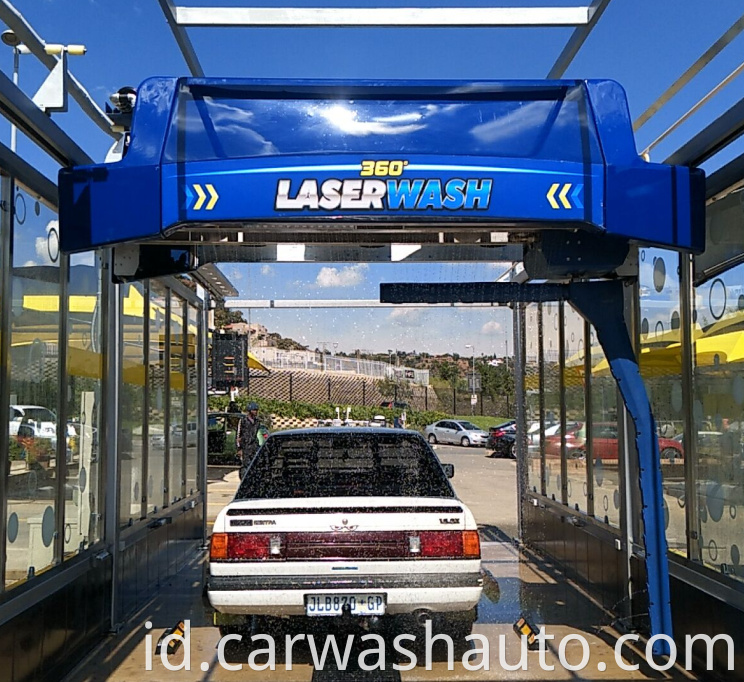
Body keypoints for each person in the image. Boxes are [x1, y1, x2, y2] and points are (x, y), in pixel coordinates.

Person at [237, 402, 263, 479]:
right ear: (249, 411)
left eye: (256, 410)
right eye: (254, 410)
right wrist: (239, 448)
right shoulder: (243, 421)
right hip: (246, 446)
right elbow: (238, 435)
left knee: (255, 464)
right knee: (245, 465)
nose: (255, 412)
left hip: (254, 446)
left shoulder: (257, 422)